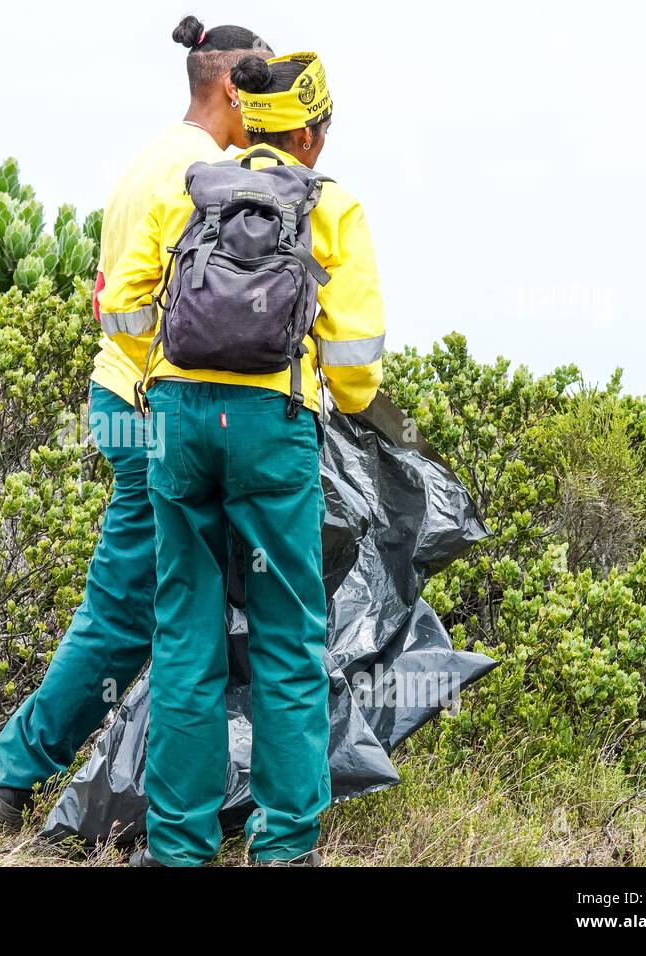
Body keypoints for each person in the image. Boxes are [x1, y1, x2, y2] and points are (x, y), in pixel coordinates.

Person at [0, 17, 275, 829]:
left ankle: (143, 789)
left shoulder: (155, 154)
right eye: (266, 87)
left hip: (122, 398)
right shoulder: (207, 172)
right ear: (231, 87)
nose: (275, 108)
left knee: (161, 604)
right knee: (128, 609)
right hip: (151, 408)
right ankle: (15, 776)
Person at [98, 51, 386, 866]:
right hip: (271, 427)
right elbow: (357, 361)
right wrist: (352, 408)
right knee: (287, 637)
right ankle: (285, 843)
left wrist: (170, 358)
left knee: (183, 634)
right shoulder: (333, 206)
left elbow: (120, 309)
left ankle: (179, 845)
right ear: (309, 131)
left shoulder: (187, 186)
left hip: (181, 422)